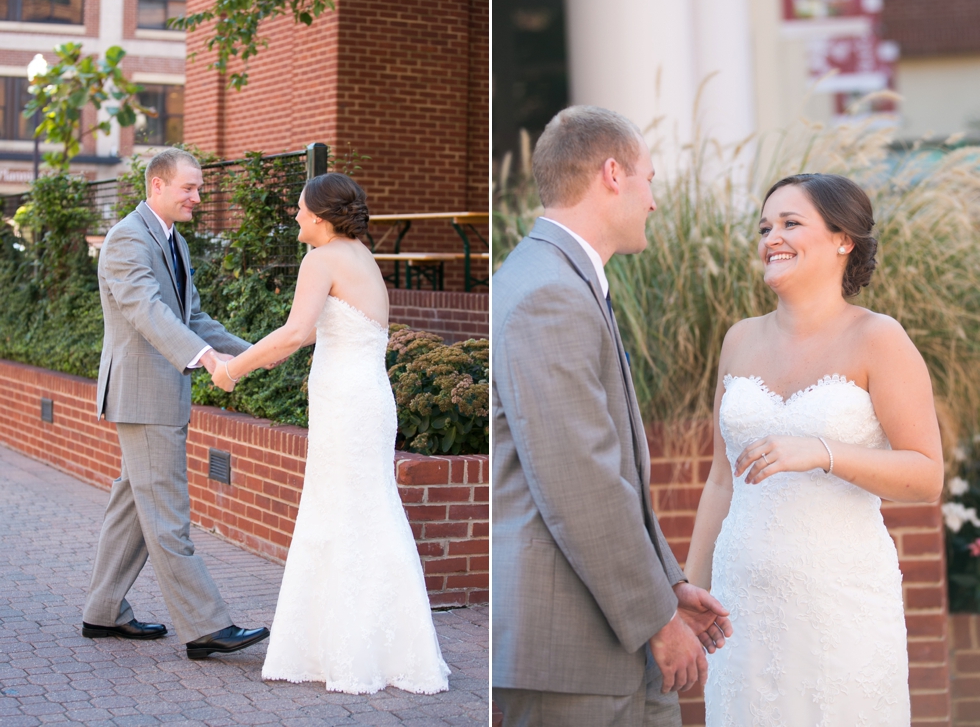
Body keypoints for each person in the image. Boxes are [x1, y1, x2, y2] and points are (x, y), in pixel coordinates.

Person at [492, 105, 733, 726]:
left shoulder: (560, 278)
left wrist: (670, 586)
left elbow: (613, 472)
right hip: (570, 652)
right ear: (612, 175)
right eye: (649, 178)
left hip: (604, 641)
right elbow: (582, 482)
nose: (654, 200)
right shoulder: (549, 292)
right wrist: (656, 619)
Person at [685, 173, 945, 724]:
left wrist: (823, 450)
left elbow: (926, 476)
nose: (771, 237)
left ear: (842, 239)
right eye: (765, 226)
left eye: (790, 223)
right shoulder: (739, 338)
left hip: (840, 603)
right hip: (743, 602)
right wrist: (691, 590)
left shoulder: (879, 338)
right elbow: (720, 480)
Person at [209, 172, 450, 694]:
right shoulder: (362, 256)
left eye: (299, 208)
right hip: (366, 400)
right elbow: (321, 330)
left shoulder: (321, 260)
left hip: (347, 404)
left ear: (318, 215)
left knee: (340, 514)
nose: (294, 215)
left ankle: (346, 654)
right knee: (370, 513)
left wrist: (232, 370)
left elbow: (297, 333)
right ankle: (382, 649)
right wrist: (251, 354)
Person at [83, 148, 270, 659]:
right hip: (144, 397)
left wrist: (249, 353)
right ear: (157, 187)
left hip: (157, 395)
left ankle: (103, 612)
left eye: (200, 188)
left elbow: (191, 315)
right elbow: (147, 310)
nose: (198, 196)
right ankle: (205, 627)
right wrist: (206, 359)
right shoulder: (126, 239)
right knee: (168, 515)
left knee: (133, 505)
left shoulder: (174, 241)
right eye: (189, 187)